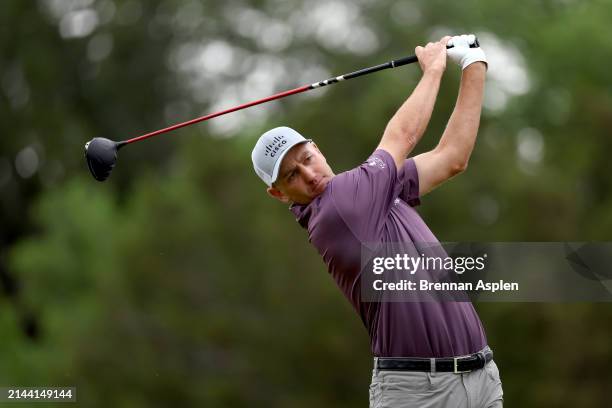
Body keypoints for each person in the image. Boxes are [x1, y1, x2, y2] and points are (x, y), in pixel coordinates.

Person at [251, 34, 503, 407]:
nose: (308, 174)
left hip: (480, 377)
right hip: (418, 392)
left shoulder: (374, 190)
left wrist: (473, 64)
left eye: (306, 158)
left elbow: (452, 157)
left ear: (316, 148)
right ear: (280, 194)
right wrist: (433, 70)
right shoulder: (337, 209)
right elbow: (402, 135)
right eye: (291, 176)